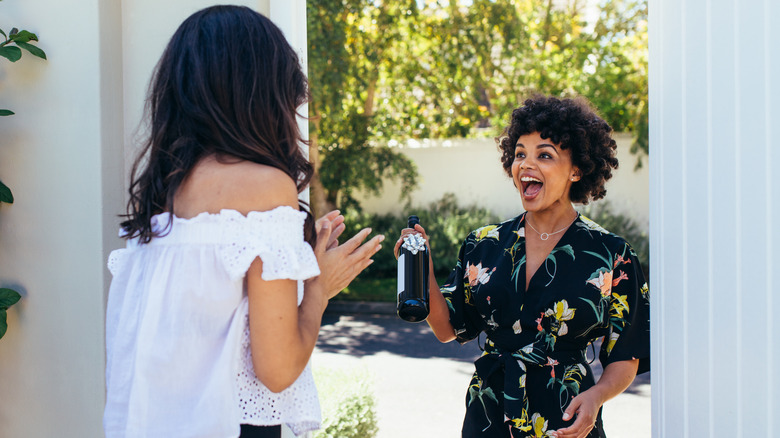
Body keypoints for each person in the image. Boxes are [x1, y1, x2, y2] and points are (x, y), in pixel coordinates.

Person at [103, 6, 384, 438]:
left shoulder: (162, 193)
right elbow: (277, 370)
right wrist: (319, 289)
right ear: (262, 93)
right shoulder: (266, 187)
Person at [395, 95, 650, 438]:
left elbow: (626, 355)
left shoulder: (612, 254)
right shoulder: (482, 244)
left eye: (544, 155)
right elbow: (447, 329)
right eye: (519, 154)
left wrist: (596, 397)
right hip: (489, 415)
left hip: (567, 418)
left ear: (576, 169)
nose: (526, 164)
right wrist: (421, 269)